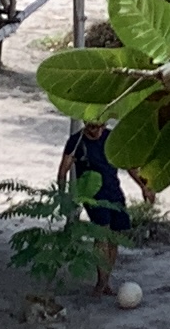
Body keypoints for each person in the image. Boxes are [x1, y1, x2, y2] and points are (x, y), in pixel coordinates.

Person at [57, 117, 133, 294]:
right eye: (92, 127)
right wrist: (62, 196)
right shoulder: (76, 141)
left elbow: (129, 165)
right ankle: (101, 281)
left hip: (114, 190)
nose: (97, 131)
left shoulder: (111, 138)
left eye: (101, 126)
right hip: (92, 194)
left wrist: (144, 186)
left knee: (115, 236)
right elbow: (63, 170)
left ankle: (106, 280)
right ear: (85, 124)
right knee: (101, 234)